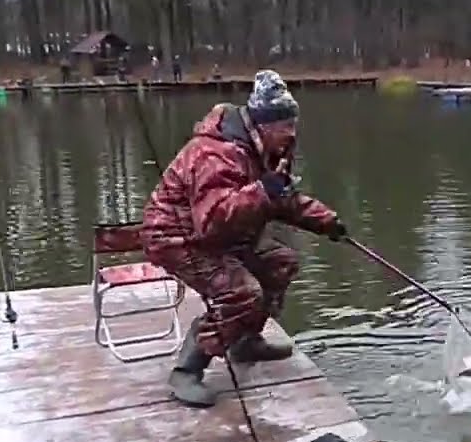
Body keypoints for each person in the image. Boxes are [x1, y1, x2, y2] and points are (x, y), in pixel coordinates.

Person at [141, 70, 346, 407]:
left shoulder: (267, 151)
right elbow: (212, 221)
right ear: (263, 125)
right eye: (285, 125)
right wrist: (263, 191)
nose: (292, 133)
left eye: (293, 124)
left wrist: (326, 222)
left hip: (220, 234)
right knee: (241, 293)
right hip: (177, 237)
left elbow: (282, 199)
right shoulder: (215, 154)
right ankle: (187, 370)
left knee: (281, 263)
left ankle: (245, 341)